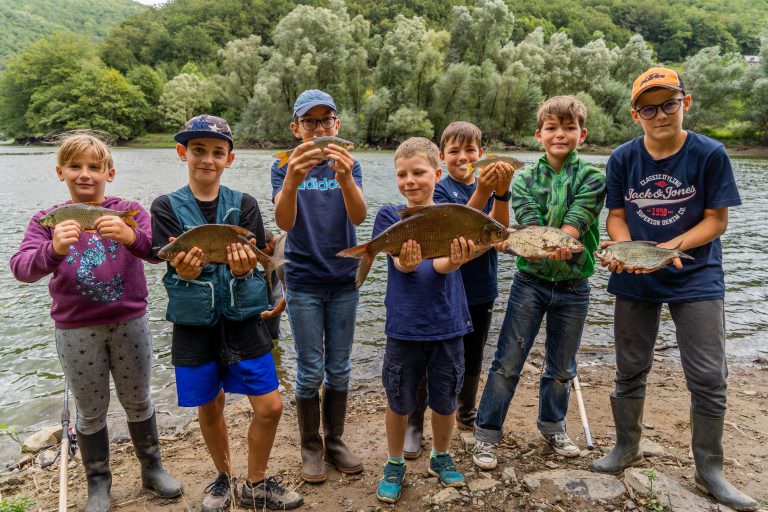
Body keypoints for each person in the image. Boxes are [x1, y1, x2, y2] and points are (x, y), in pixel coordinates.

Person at [591, 68, 759, 511]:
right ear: (636, 114)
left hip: (697, 274)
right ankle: (626, 447)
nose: (660, 114)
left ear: (686, 102)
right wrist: (624, 249)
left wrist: (669, 248)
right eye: (649, 107)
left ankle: (710, 471)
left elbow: (716, 220)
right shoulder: (623, 158)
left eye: (669, 103)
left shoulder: (710, 153)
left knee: (708, 376)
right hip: (634, 274)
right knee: (629, 368)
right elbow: (616, 216)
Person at [10, 133, 183, 512]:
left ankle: (152, 468)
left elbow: (159, 251)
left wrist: (131, 236)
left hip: (130, 322)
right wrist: (52, 249)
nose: (85, 174)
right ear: (60, 172)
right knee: (90, 410)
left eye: (94, 167)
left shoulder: (128, 209)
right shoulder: (46, 220)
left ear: (110, 172)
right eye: (75, 166)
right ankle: (98, 483)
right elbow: (21, 269)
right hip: (75, 330)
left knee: (139, 401)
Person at [151, 115, 302, 511]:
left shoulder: (246, 205)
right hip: (194, 325)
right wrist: (183, 268)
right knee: (210, 404)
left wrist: (245, 268)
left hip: (242, 320)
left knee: (270, 405)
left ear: (229, 159)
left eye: (217, 152)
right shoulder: (165, 206)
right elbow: (169, 263)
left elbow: (253, 268)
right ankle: (223, 476)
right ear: (183, 153)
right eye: (198, 150)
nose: (207, 159)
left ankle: (255, 481)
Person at [472, 96, 606, 470]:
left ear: (582, 133)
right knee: (507, 361)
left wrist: (560, 242)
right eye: (552, 128)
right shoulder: (526, 179)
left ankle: (553, 426)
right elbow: (530, 225)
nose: (560, 134)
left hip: (575, 287)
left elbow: (576, 221)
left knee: (562, 366)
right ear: (539, 134)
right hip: (529, 283)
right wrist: (527, 244)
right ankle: (486, 434)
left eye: (568, 127)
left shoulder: (594, 177)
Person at [400, 122, 516, 459]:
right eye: (454, 151)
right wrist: (487, 192)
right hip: (442, 288)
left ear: (482, 154)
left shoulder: (489, 185)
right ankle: (414, 422)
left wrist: (503, 193)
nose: (462, 157)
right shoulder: (439, 188)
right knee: (428, 355)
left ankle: (466, 410)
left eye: (470, 151)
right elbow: (459, 219)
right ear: (442, 156)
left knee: (473, 352)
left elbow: (500, 231)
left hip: (481, 287)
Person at [374, 137, 476, 503]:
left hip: (448, 322)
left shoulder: (452, 215)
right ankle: (395, 461)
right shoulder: (390, 215)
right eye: (402, 174)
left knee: (446, 397)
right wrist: (406, 262)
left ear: (436, 173)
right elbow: (400, 262)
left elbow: (443, 265)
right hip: (404, 324)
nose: (410, 181)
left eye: (418, 173)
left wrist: (458, 260)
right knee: (398, 396)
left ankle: (441, 455)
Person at [272, 89, 366, 483]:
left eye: (325, 120)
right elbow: (284, 223)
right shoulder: (284, 165)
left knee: (340, 368)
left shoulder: (351, 164)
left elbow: (359, 216)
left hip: (344, 279)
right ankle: (311, 446)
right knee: (310, 369)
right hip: (304, 280)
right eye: (310, 122)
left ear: (337, 126)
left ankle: (336, 440)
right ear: (297, 129)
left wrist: (345, 180)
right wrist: (293, 180)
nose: (319, 128)